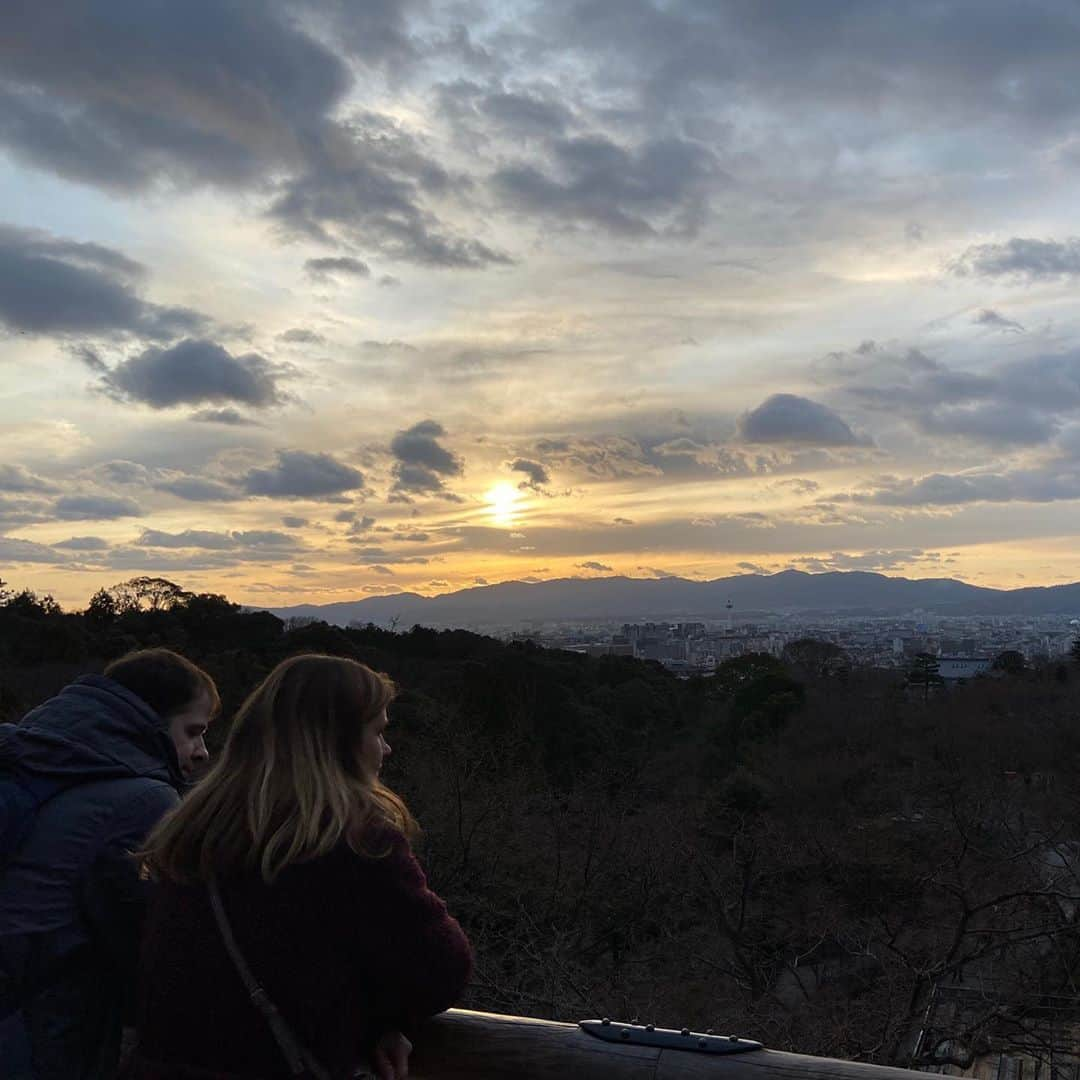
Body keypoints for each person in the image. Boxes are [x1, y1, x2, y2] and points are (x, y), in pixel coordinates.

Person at [127, 653, 472, 1080]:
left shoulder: (192, 831)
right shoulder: (355, 843)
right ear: (339, 742)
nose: (386, 747)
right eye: (379, 731)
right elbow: (440, 970)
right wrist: (383, 1018)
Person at [0, 648, 219, 1080]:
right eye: (193, 732)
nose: (203, 752)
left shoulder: (33, 754)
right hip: (47, 1020)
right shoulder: (145, 799)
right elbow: (146, 935)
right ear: (151, 722)